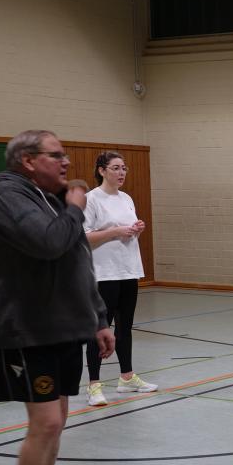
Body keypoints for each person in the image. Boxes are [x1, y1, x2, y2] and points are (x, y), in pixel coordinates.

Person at [0, 130, 114, 465]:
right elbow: (50, 243)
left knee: (57, 423)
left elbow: (76, 259)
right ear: (28, 160)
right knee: (46, 424)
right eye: (56, 155)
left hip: (63, 328)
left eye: (65, 155)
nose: (66, 162)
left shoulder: (50, 199)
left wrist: (98, 318)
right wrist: (75, 205)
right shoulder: (6, 196)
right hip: (25, 332)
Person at [83, 151, 157, 406]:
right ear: (102, 170)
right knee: (100, 329)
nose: (122, 172)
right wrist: (115, 231)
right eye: (116, 168)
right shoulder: (91, 199)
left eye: (124, 168)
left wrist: (136, 229)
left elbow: (126, 232)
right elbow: (84, 237)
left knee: (125, 327)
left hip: (128, 270)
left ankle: (127, 377)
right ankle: (94, 385)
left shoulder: (126, 198)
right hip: (104, 274)